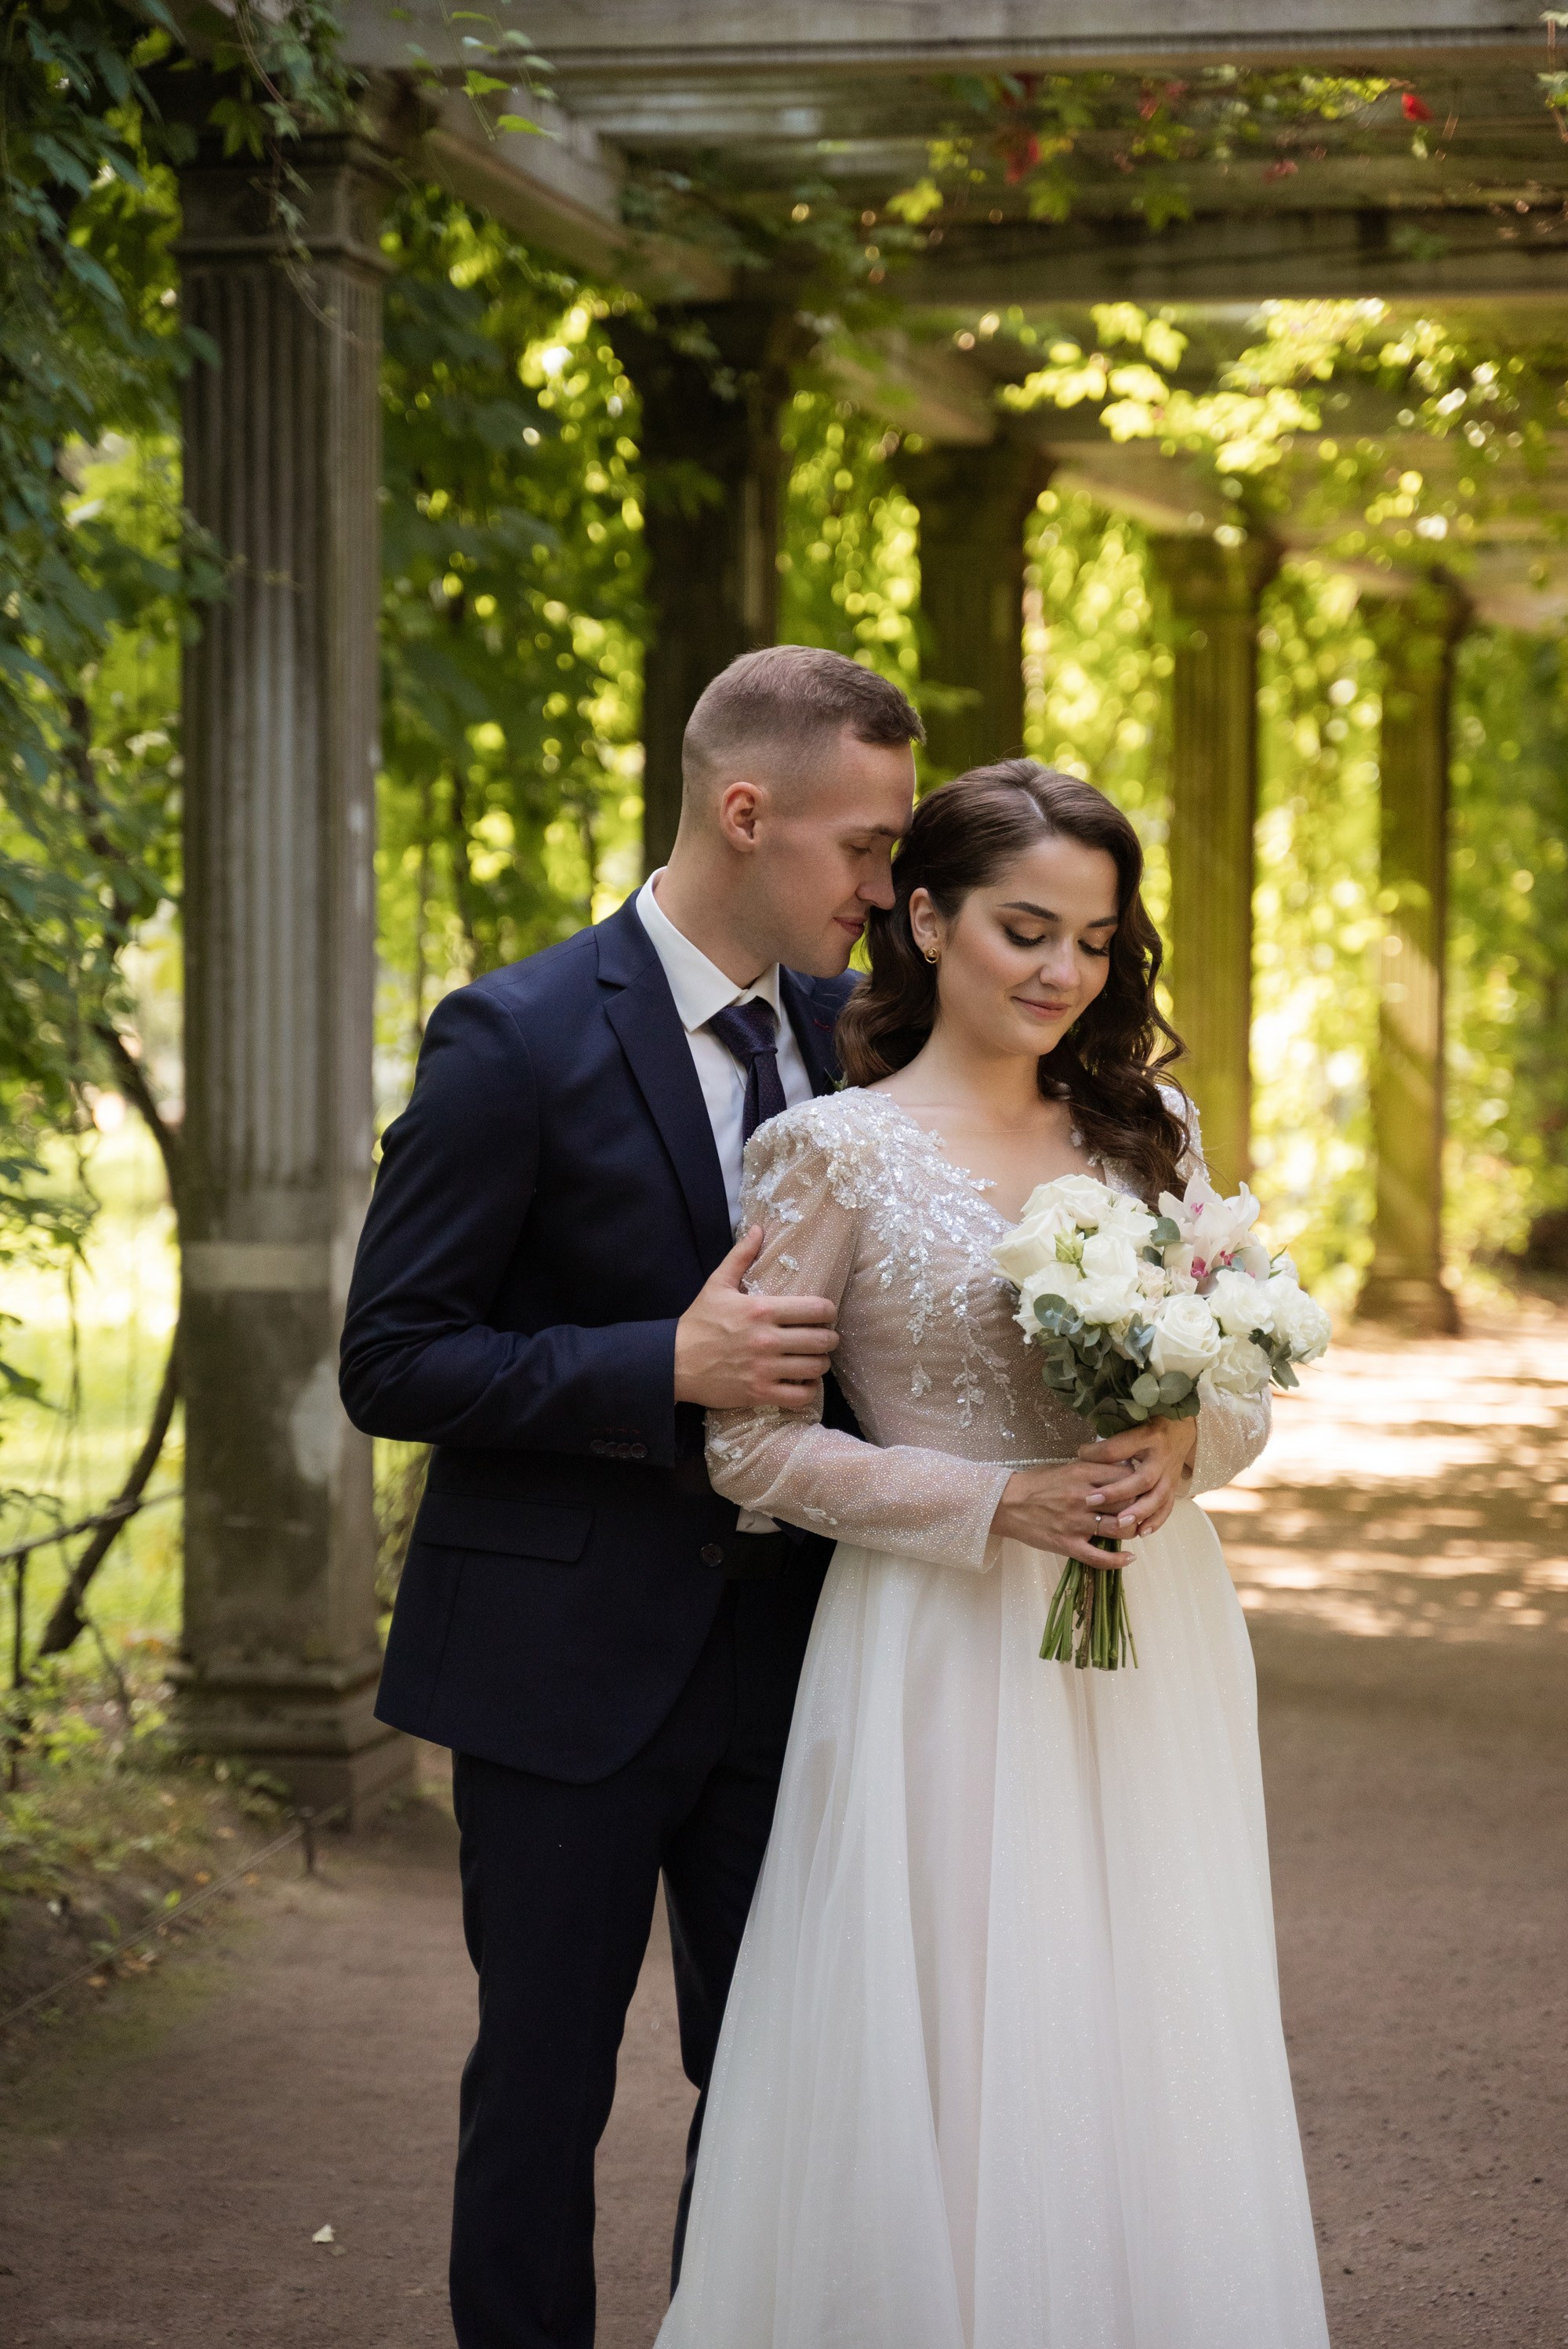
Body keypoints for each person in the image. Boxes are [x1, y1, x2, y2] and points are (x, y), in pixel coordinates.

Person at [656, 761, 1330, 2349]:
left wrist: (1178, 1441)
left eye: (1094, 943)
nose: (1061, 972)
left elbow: (1235, 1390)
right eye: (1026, 927)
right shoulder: (829, 1151)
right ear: (926, 914)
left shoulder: (1146, 1125)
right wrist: (987, 1507)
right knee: (953, 2016)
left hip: (1151, 1631)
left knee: (1147, 2013)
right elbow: (747, 1446)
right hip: (935, 1647)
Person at [338, 645, 923, 2349]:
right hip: (556, 1661)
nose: (889, 893)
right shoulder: (511, 1038)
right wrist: (653, 1365)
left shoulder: (859, 1041)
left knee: (775, 2096)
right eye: (865, 849)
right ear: (747, 813)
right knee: (541, 2086)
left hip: (800, 1657)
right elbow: (393, 1358)